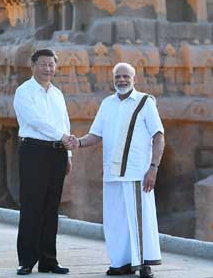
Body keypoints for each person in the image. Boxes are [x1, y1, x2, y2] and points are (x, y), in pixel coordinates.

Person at [65, 62, 164, 278]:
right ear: (113, 79)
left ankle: (144, 264)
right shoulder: (107, 104)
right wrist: (78, 143)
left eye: (125, 76)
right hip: (112, 174)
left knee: (141, 218)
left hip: (138, 174)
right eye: (118, 77)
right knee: (115, 220)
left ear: (134, 78)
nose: (121, 80)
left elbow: (158, 136)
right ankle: (121, 263)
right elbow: (96, 135)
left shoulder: (145, 102)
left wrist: (153, 168)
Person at [13, 48, 74, 275]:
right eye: (43, 64)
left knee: (51, 207)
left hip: (57, 153)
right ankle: (27, 260)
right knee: (31, 206)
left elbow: (64, 122)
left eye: (51, 64)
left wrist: (68, 154)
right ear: (33, 66)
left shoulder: (57, 94)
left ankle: (49, 260)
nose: (48, 68)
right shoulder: (24, 91)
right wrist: (62, 137)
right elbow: (34, 121)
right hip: (34, 151)